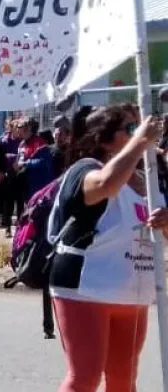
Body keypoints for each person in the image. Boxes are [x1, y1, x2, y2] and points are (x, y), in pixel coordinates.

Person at [48, 104, 168, 391]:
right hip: (86, 286)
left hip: (131, 289)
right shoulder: (85, 169)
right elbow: (106, 184)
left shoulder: (146, 180)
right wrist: (140, 142)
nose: (140, 132)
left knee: (123, 380)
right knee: (85, 378)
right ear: (102, 138)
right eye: (129, 128)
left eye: (138, 127)